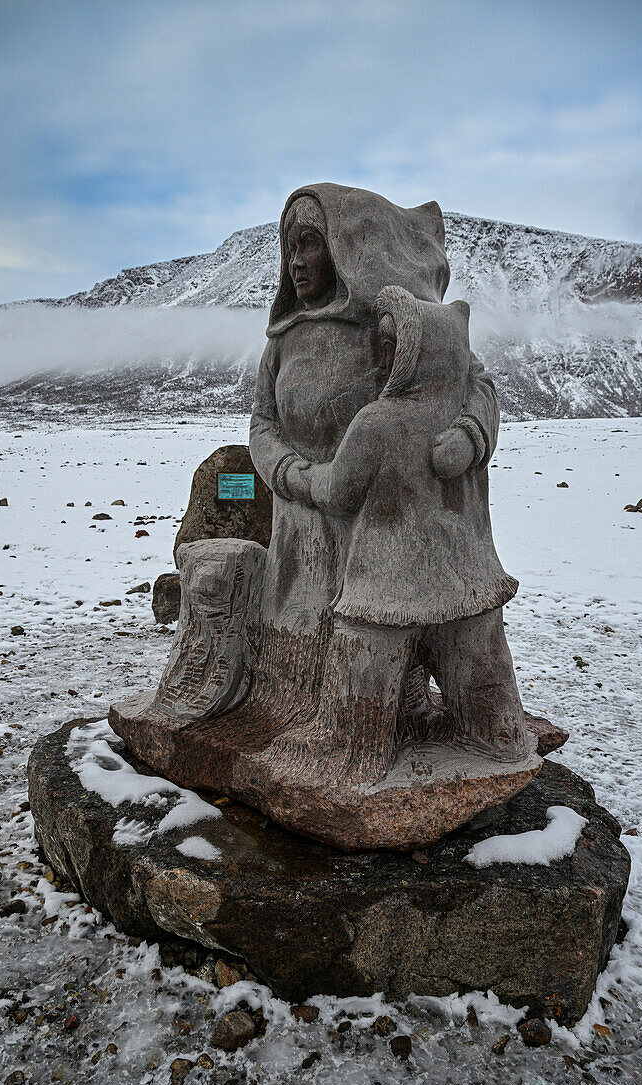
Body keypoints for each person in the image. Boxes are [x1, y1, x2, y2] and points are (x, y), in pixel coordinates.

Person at [248, 185, 501, 746]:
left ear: (343, 248)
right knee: (301, 671)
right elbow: (261, 425)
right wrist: (291, 475)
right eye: (290, 245)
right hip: (301, 537)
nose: (296, 260)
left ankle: (382, 725)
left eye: (309, 243)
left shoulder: (391, 323)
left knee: (376, 658)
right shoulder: (283, 342)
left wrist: (470, 433)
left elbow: (473, 383)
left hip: (384, 531)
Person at [281, 285, 531, 783]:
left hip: (383, 598)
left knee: (355, 725)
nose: (384, 356)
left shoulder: (379, 422)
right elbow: (484, 394)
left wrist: (295, 474)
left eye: (393, 346)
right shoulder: (461, 424)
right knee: (491, 709)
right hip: (470, 590)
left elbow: (336, 493)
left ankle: (353, 766)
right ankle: (500, 745)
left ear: (421, 354)